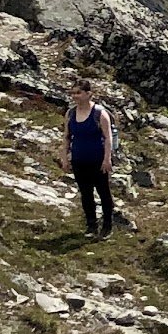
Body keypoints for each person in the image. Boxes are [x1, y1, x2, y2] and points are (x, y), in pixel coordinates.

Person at [61, 76, 117, 240]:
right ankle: (91, 225)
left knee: (103, 192)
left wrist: (107, 159)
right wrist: (65, 158)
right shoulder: (70, 113)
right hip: (79, 159)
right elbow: (66, 137)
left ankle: (107, 225)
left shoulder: (99, 113)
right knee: (86, 193)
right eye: (73, 93)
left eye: (78, 93)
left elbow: (108, 138)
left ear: (88, 94)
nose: (75, 96)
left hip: (97, 160)